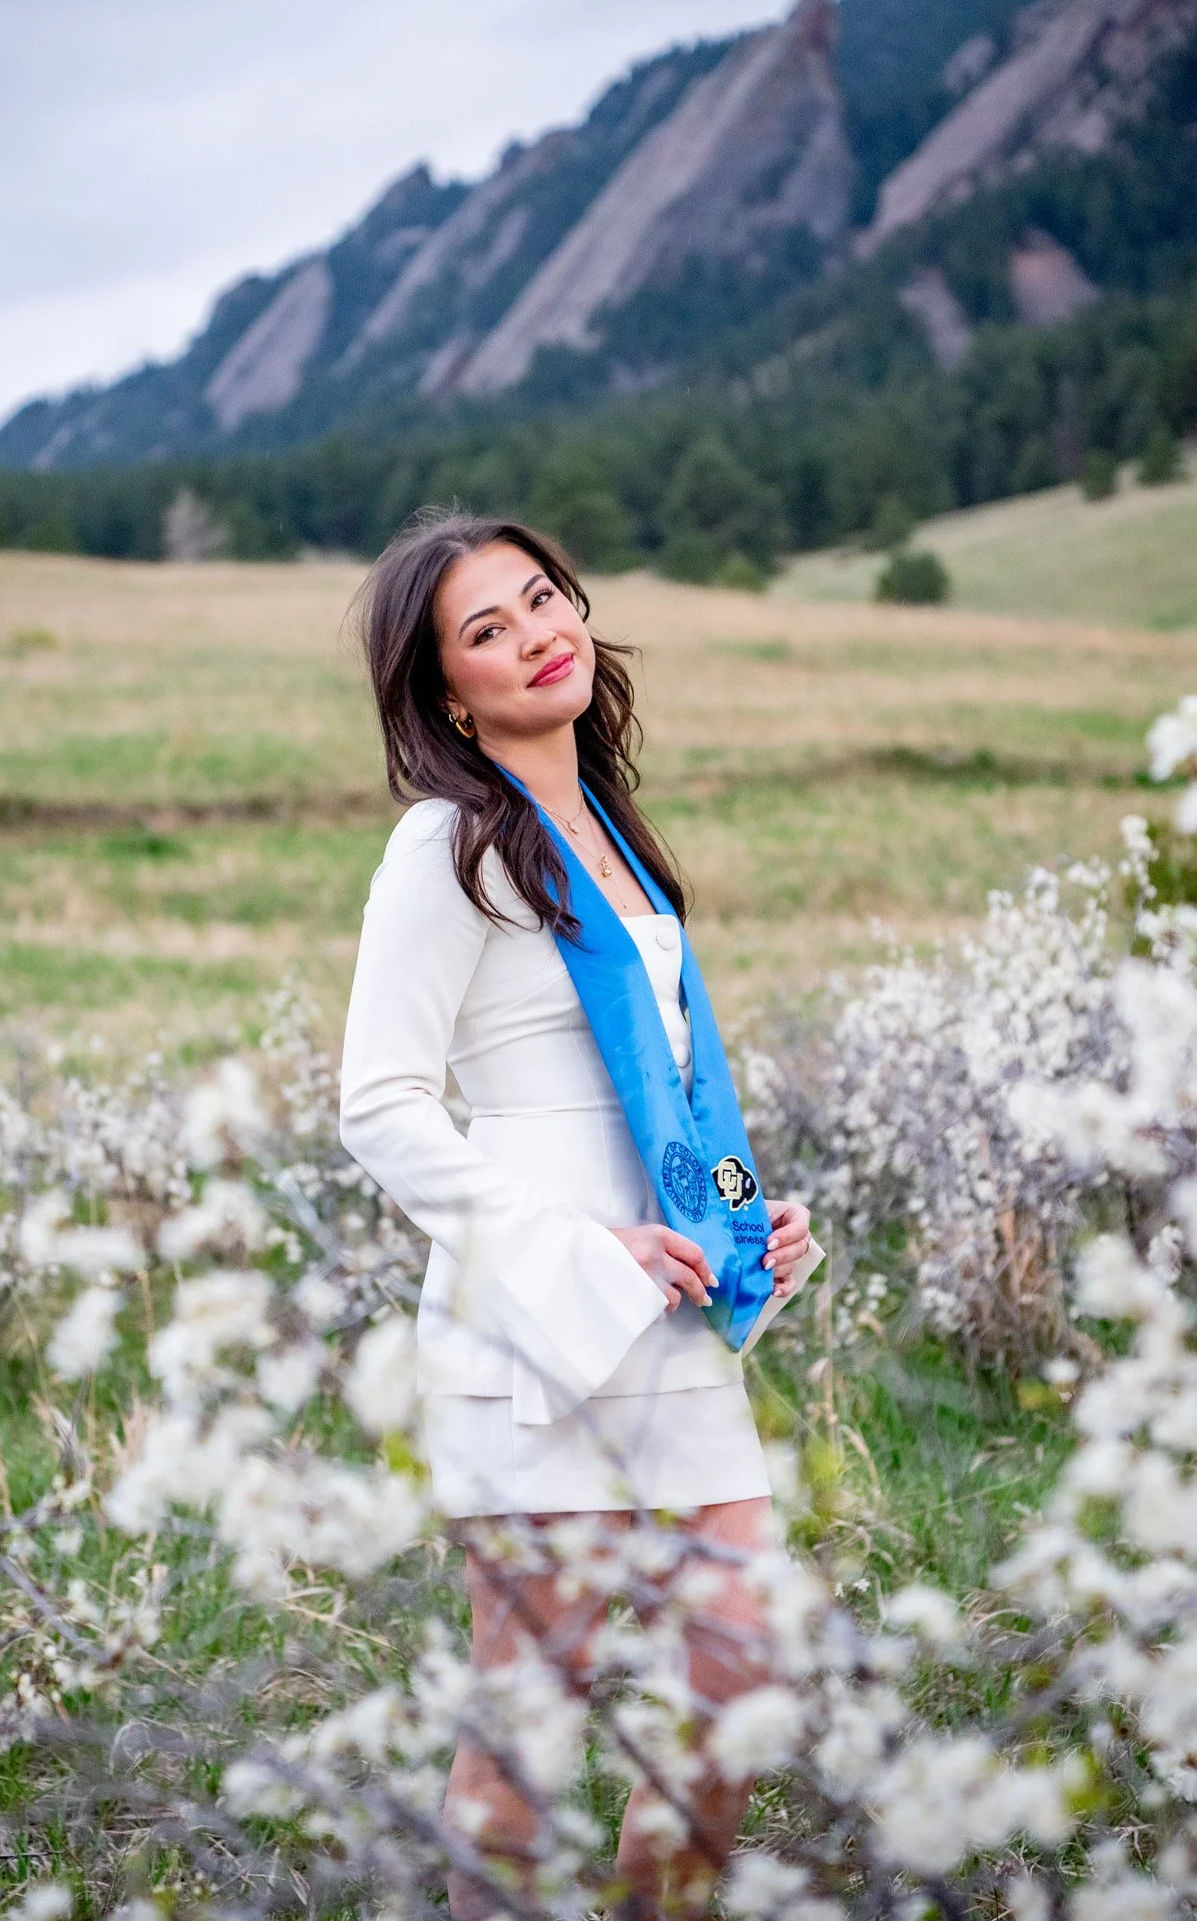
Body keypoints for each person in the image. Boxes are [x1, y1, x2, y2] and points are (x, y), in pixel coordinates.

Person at [339, 511, 814, 1919]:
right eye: (485, 630)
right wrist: (575, 1246)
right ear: (444, 693)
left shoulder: (606, 830)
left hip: (669, 1303)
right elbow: (378, 1103)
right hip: (540, 1319)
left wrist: (752, 1219)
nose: (536, 635)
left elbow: (665, 1087)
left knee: (736, 1669)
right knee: (530, 1726)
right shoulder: (447, 846)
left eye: (540, 599)